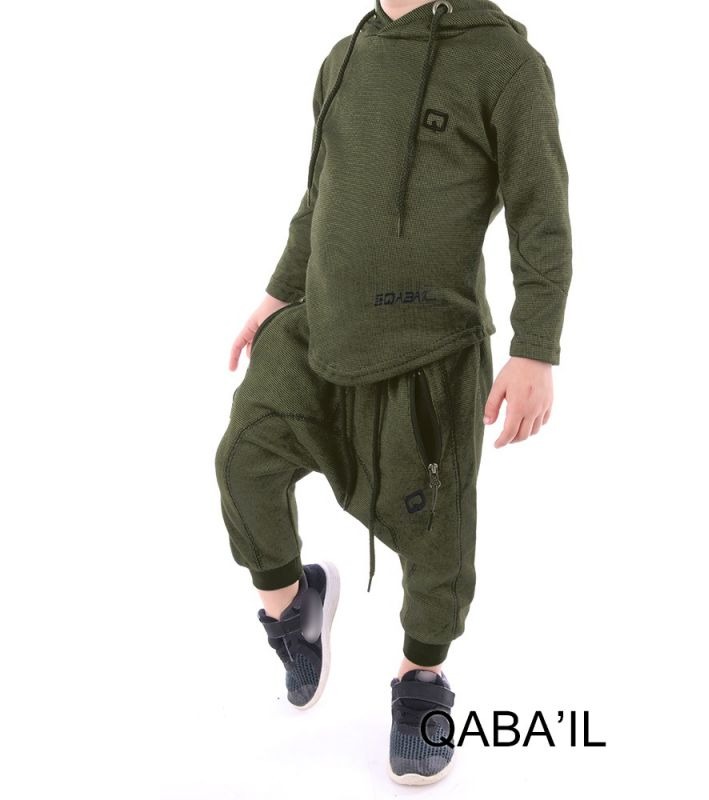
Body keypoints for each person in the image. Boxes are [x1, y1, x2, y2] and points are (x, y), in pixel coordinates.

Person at [214, 0, 571, 785]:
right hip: (320, 327)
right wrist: (276, 295)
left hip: (429, 350)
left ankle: (421, 682)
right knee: (243, 461)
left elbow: (541, 217)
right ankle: (293, 607)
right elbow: (320, 198)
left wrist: (535, 349)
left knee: (436, 539)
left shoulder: (506, 64)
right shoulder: (342, 58)